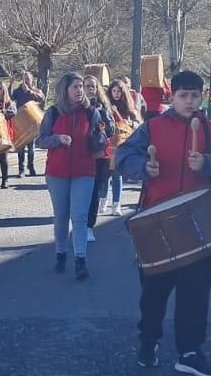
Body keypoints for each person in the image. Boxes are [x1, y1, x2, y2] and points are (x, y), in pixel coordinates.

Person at [116, 70, 211, 376]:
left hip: (200, 223)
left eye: (195, 96)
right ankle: (148, 341)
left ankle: (190, 352)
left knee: (196, 293)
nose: (189, 101)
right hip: (156, 223)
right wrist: (144, 167)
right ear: (171, 97)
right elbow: (123, 156)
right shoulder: (152, 127)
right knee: (154, 293)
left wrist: (209, 163)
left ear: (202, 97)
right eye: (183, 96)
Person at [37, 72, 107, 281]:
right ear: (65, 90)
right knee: (61, 216)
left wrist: (100, 135)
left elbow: (102, 136)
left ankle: (80, 260)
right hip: (57, 172)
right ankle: (60, 254)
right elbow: (40, 140)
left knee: (79, 217)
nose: (79, 90)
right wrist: (57, 139)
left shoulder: (92, 112)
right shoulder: (53, 113)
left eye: (81, 86)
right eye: (75, 87)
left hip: (84, 171)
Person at [83, 74, 120, 240]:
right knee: (79, 192)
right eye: (87, 86)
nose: (90, 89)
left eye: (93, 86)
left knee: (94, 192)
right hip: (79, 155)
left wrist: (99, 116)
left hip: (98, 156)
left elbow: (110, 129)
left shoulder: (103, 107)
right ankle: (79, 222)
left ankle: (89, 226)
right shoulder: (75, 107)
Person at [102, 79, 142, 214]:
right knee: (105, 175)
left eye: (119, 91)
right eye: (114, 91)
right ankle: (103, 199)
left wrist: (130, 123)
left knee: (117, 174)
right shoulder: (105, 106)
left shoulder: (129, 107)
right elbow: (100, 123)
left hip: (121, 144)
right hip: (107, 145)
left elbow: (137, 123)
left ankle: (116, 204)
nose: (116, 94)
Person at [11, 71, 46, 177]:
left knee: (31, 149)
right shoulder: (18, 91)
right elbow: (10, 97)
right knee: (20, 148)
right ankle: (21, 170)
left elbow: (42, 98)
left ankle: (31, 167)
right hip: (21, 123)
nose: (25, 81)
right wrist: (11, 84)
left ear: (32, 80)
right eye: (24, 78)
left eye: (27, 79)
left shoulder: (35, 90)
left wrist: (29, 91)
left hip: (32, 124)